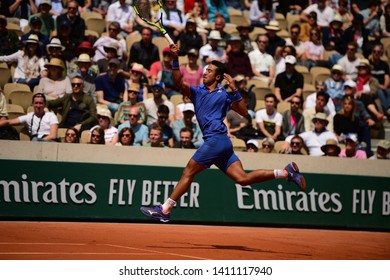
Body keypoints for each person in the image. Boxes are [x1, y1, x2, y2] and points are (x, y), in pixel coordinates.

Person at [140, 44, 306, 222]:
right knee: (243, 179)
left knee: (188, 171)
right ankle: (286, 173)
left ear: (218, 77)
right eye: (205, 70)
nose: (205, 73)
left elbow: (243, 112)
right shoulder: (196, 92)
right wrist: (175, 59)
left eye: (209, 71)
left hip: (216, 140)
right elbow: (178, 82)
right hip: (221, 144)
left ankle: (165, 209)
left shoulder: (224, 94)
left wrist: (234, 89)